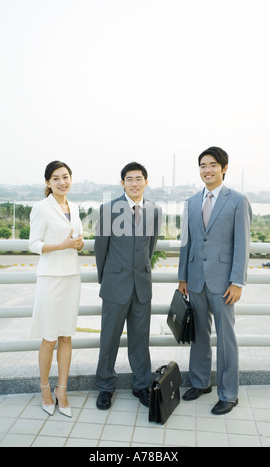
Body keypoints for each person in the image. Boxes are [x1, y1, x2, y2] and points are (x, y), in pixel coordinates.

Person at [178, 147, 252, 415]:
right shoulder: (191, 202)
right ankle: (200, 382)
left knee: (226, 338)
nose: (206, 170)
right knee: (198, 335)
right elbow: (186, 242)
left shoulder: (238, 201)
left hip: (224, 283)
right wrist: (182, 276)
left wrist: (237, 281)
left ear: (224, 168)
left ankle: (229, 393)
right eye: (202, 165)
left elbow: (242, 244)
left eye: (212, 165)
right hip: (195, 279)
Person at [95, 162, 162, 410]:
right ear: (122, 182)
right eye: (129, 179)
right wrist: (108, 279)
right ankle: (104, 387)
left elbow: (150, 247)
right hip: (115, 285)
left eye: (139, 179)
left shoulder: (155, 211)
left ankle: (141, 386)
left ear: (146, 181)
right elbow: (100, 249)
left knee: (140, 339)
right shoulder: (108, 209)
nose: (135, 183)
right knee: (108, 339)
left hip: (142, 285)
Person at [29, 161, 84, 418]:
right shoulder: (42, 207)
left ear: (70, 178)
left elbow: (75, 241)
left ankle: (62, 389)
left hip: (71, 276)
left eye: (65, 177)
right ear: (48, 183)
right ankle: (44, 389)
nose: (62, 182)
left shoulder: (74, 206)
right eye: (56, 178)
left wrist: (78, 244)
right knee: (49, 337)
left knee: (66, 336)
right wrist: (62, 245)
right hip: (51, 279)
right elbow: (34, 244)